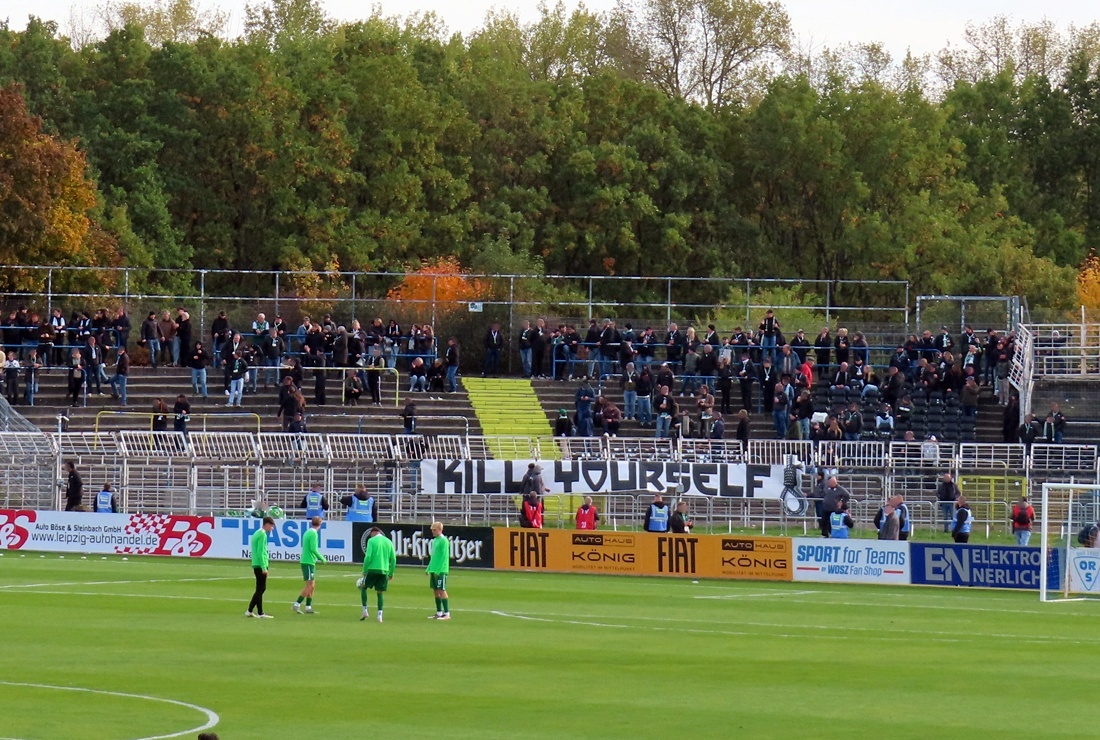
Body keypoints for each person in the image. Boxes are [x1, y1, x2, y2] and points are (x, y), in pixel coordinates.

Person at [359, 526, 396, 622]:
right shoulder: (388, 541)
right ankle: (380, 615)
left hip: (372, 569)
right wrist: (391, 573)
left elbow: (368, 557)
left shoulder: (371, 541)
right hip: (384, 570)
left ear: (373, 533)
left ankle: (365, 611)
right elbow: (394, 559)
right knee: (380, 593)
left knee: (363, 587)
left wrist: (364, 570)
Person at [293, 516, 326, 614]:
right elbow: (313, 548)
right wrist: (321, 558)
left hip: (309, 561)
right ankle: (297, 604)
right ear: (320, 524)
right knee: (310, 585)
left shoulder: (308, 532)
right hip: (308, 562)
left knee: (312, 585)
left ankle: (308, 606)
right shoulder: (313, 534)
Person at [246, 516, 276, 618]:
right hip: (260, 564)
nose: (272, 529)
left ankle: (255, 611)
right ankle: (255, 611)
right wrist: (264, 567)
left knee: (259, 588)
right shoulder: (263, 535)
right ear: (267, 524)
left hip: (255, 563)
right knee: (261, 589)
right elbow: (261, 552)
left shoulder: (256, 533)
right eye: (271, 526)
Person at [427, 521, 451, 620]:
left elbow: (444, 557)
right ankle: (439, 612)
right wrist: (429, 568)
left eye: (434, 530)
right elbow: (434, 557)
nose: (433, 532)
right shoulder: (435, 540)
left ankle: (447, 613)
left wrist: (438, 570)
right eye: (432, 530)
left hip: (441, 570)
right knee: (435, 590)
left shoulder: (444, 541)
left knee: (441, 590)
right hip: (434, 569)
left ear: (440, 530)